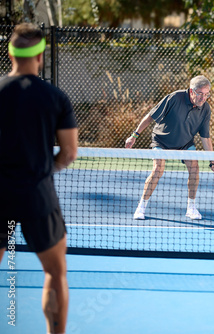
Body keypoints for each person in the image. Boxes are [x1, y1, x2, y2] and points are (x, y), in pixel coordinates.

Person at [0, 23, 78, 334]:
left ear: (10, 54)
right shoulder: (55, 97)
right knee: (55, 273)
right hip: (38, 196)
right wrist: (47, 168)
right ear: (41, 56)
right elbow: (69, 153)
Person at [125, 75, 214, 220]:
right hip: (161, 141)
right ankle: (141, 207)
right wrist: (134, 136)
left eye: (207, 94)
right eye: (200, 94)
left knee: (194, 168)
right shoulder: (174, 98)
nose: (203, 98)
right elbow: (150, 116)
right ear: (191, 91)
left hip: (185, 144)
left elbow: (205, 137)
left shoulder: (205, 108)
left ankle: (191, 208)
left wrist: (213, 160)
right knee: (158, 169)